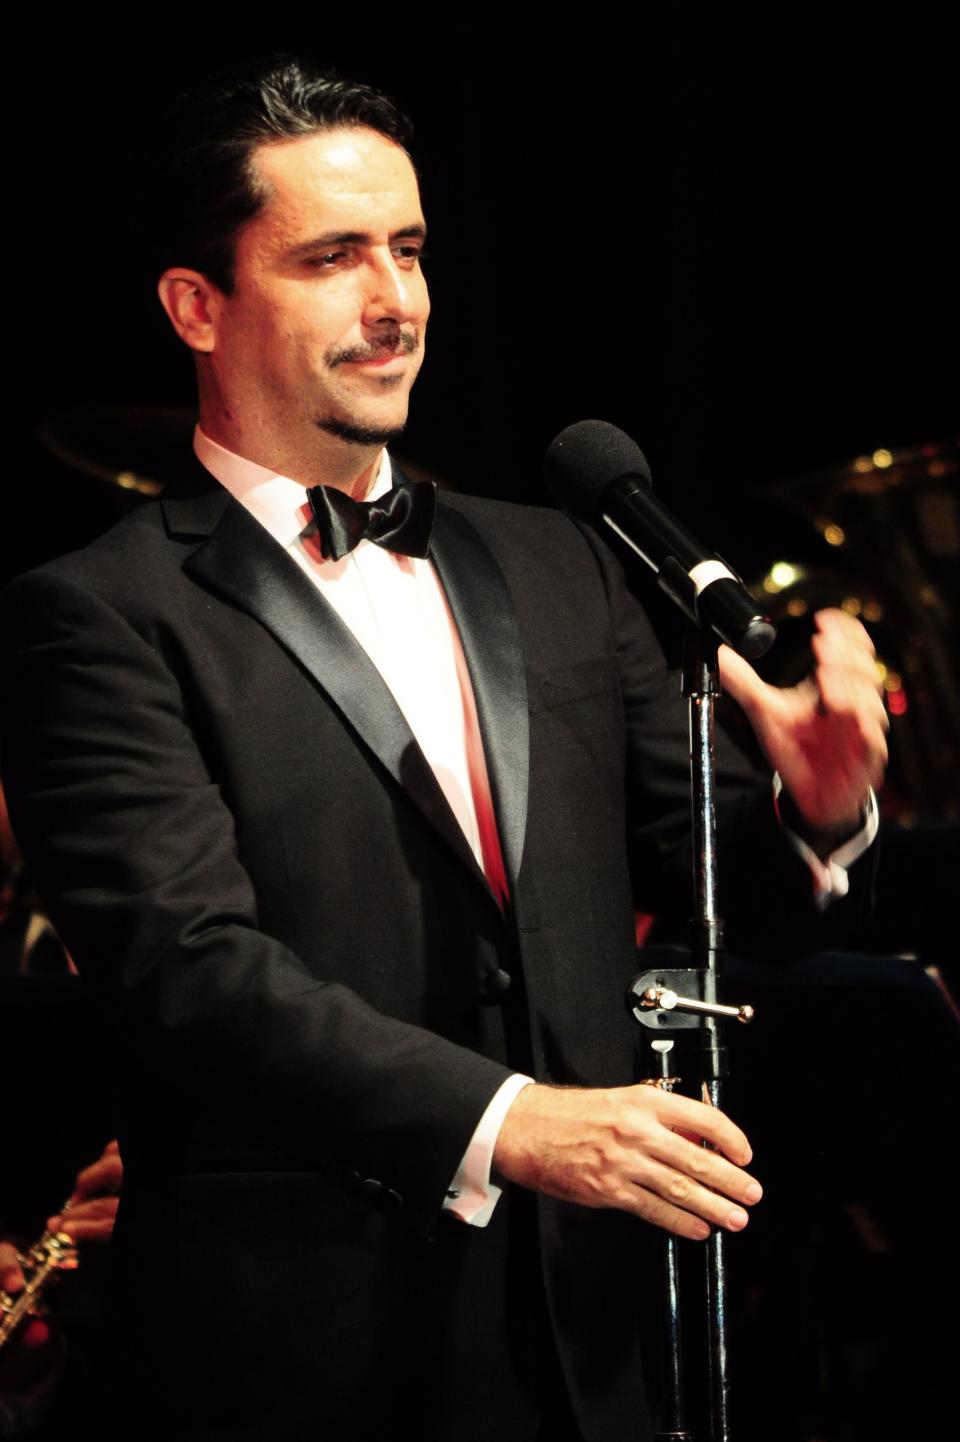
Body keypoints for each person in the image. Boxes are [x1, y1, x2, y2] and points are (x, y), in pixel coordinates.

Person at [0, 58, 887, 1442]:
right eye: (333, 255)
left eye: (408, 250)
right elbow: (189, 971)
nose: (395, 300)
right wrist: (511, 1120)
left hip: (588, 1340)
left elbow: (727, 899)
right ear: (197, 304)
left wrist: (816, 817)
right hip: (295, 1355)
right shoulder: (101, 609)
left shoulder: (559, 560)